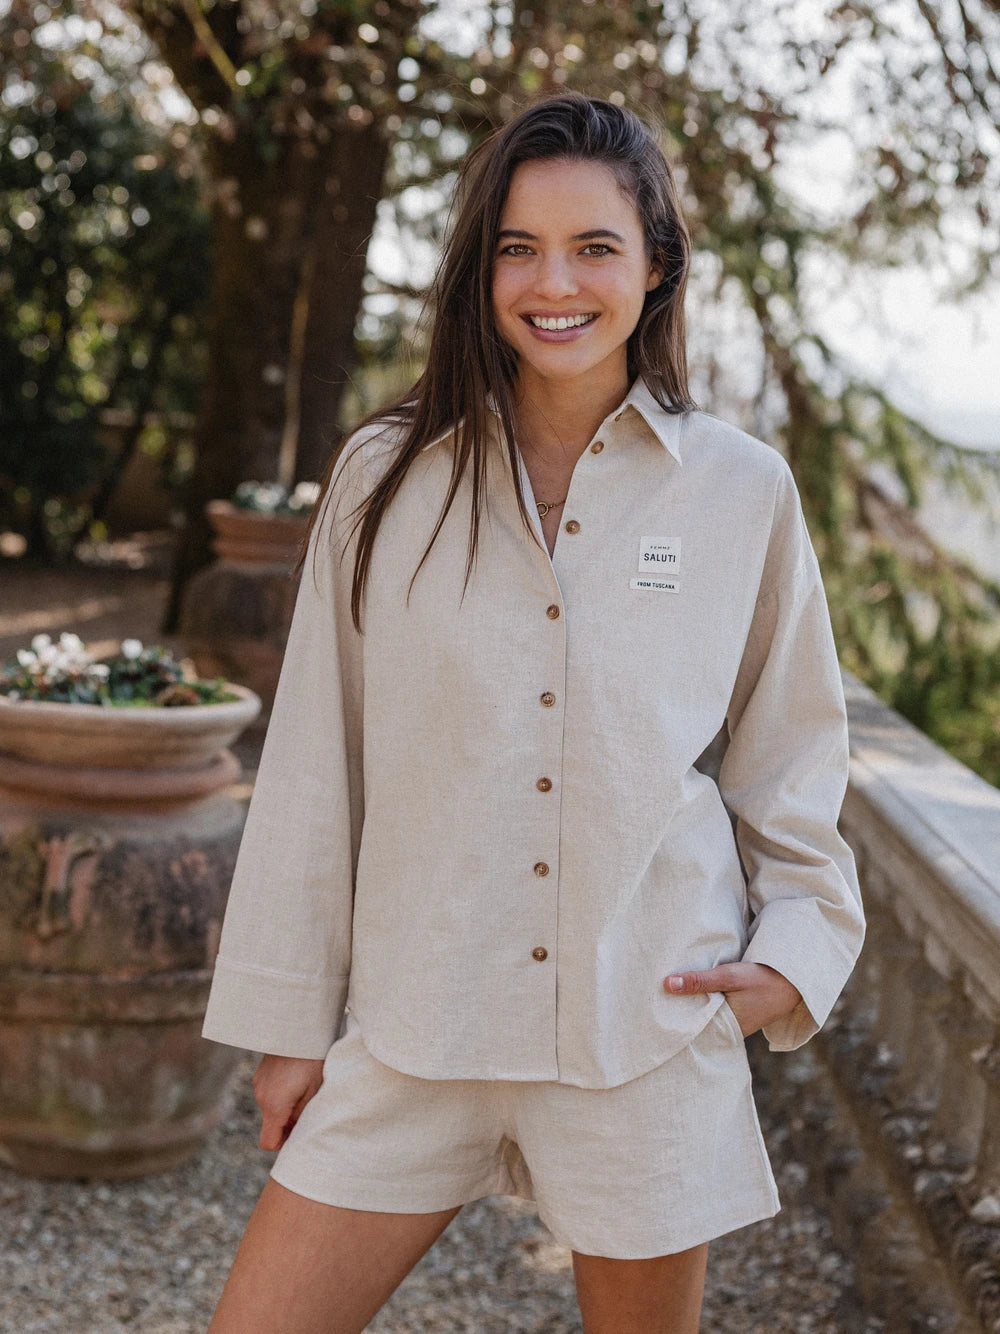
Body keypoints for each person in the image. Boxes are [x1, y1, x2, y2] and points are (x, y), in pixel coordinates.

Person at [201, 91, 865, 1334]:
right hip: (417, 1021)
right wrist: (288, 1026)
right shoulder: (384, 476)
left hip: (643, 1029)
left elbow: (793, 750)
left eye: (593, 247)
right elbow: (314, 761)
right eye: (518, 247)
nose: (553, 283)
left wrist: (791, 955)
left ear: (656, 265)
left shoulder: (741, 492)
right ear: (480, 267)